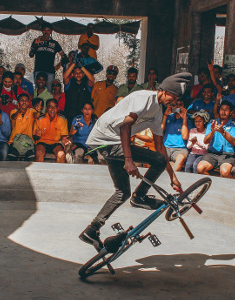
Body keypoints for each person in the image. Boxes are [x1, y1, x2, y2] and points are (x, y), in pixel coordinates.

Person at [79, 73, 188, 249]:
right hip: (106, 140)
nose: (174, 102)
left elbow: (159, 146)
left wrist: (172, 176)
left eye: (177, 100)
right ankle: (140, 197)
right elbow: (125, 126)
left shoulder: (158, 113)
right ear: (164, 91)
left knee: (122, 192)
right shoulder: (144, 98)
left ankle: (91, 230)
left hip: (110, 143)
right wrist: (128, 160)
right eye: (173, 97)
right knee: (157, 161)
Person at [197, 100, 235, 177]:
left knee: (224, 172)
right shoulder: (212, 123)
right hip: (212, 154)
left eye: (226, 110)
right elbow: (205, 141)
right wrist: (212, 131)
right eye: (221, 109)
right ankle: (212, 185)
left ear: (230, 112)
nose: (223, 112)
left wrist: (223, 132)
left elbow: (234, 142)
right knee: (200, 168)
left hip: (228, 155)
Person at [29, 22, 66, 90]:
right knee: (38, 91)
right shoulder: (37, 41)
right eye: (44, 30)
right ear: (42, 31)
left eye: (48, 30)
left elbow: (65, 57)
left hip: (50, 71)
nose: (46, 32)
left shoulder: (55, 43)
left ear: (51, 31)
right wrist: (35, 44)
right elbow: (31, 55)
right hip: (38, 70)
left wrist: (59, 64)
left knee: (49, 91)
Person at [34, 99, 68, 163]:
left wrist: (64, 139)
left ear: (58, 108)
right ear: (46, 108)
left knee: (61, 154)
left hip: (56, 143)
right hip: (42, 142)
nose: (52, 109)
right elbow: (35, 137)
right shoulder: (40, 118)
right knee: (39, 152)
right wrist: (37, 135)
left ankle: (57, 173)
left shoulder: (62, 119)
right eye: (50, 107)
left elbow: (64, 135)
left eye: (54, 107)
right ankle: (39, 172)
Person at [162, 97, 189, 171]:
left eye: (180, 105)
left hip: (180, 148)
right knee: (158, 158)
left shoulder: (188, 119)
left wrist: (184, 119)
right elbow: (161, 130)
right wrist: (165, 115)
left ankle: (171, 178)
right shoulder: (169, 116)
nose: (178, 107)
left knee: (181, 158)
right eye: (176, 105)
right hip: (166, 147)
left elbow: (185, 136)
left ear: (184, 107)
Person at [8, 93, 37, 160]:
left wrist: (37, 111)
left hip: (28, 142)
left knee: (32, 158)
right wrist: (19, 111)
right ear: (18, 103)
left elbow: (36, 115)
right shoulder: (14, 111)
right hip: (15, 141)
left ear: (29, 102)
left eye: (26, 100)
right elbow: (13, 117)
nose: (24, 102)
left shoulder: (31, 111)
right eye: (22, 100)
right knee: (12, 157)